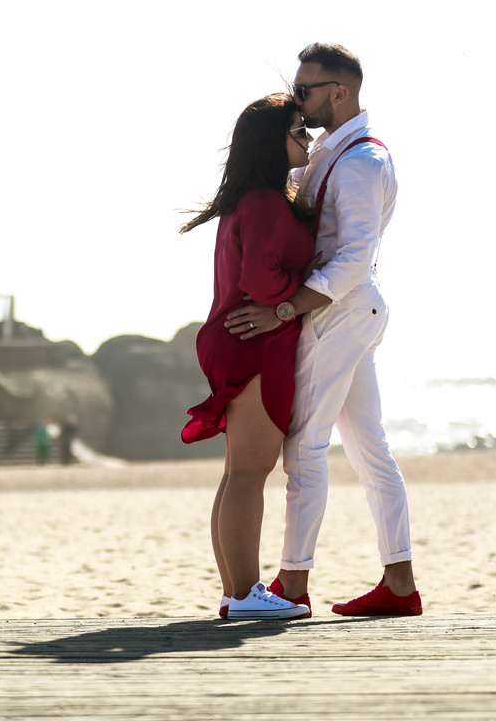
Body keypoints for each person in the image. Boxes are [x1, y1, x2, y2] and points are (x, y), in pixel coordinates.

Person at [225, 43, 422, 616]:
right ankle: (400, 583)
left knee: (304, 447)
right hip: (351, 313)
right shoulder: (331, 152)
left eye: (305, 89)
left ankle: (293, 583)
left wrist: (284, 310)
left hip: (341, 312)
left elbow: (353, 260)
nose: (298, 98)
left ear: (340, 92)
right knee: (369, 449)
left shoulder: (360, 162)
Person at [180, 93, 316, 621]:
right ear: (271, 142)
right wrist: (296, 295)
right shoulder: (264, 201)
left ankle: (234, 592)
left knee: (238, 471)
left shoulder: (247, 200)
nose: (308, 138)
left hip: (232, 338)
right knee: (250, 472)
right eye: (298, 130)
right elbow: (261, 280)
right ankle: (244, 595)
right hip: (254, 341)